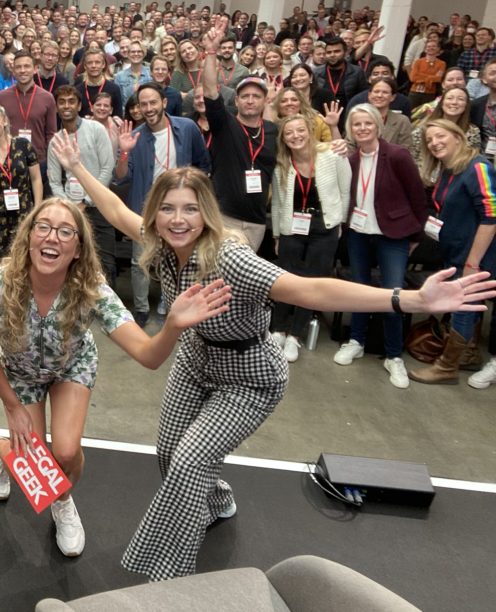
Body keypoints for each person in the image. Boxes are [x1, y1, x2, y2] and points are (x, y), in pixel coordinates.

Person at [47, 131, 496, 582]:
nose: (177, 219)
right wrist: (77, 168)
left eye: (189, 208)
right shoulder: (160, 241)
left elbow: (309, 289)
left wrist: (410, 300)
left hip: (249, 376)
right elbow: (115, 210)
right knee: (169, 453)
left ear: (206, 211)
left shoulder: (231, 258)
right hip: (196, 359)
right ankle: (217, 499)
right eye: (167, 208)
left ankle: (165, 576)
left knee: (188, 462)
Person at [0, 197, 231, 557]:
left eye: (66, 231)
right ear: (28, 236)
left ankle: (62, 501)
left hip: (70, 366)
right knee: (31, 463)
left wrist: (171, 325)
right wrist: (12, 406)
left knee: (63, 452)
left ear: (77, 248)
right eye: (43, 227)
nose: (53, 237)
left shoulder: (91, 288)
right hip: (20, 373)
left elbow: (148, 355)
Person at [333, 104, 428, 389]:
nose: (362, 129)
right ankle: (356, 341)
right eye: (357, 125)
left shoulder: (397, 156)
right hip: (359, 234)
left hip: (393, 235)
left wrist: (414, 239)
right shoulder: (351, 160)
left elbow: (418, 200)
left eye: (367, 124)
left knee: (392, 295)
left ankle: (393, 355)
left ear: (378, 126)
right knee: (360, 289)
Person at [115, 82, 210, 326]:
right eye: (143, 104)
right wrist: (124, 152)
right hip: (146, 208)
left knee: (179, 258)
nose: (148, 108)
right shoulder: (135, 137)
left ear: (164, 102)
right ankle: (141, 307)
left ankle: (171, 303)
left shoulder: (187, 128)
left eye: (153, 102)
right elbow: (121, 176)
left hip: (180, 209)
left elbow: (203, 165)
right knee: (140, 261)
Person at [410, 119, 496, 385]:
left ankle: (447, 367)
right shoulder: (448, 170)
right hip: (456, 254)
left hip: (476, 258)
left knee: (463, 307)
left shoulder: (478, 167)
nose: (434, 143)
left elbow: (491, 215)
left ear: (458, 137)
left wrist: (473, 262)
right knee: (466, 306)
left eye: (440, 136)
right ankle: (465, 356)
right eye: (430, 140)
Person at [270, 114, 350, 361]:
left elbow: (345, 189)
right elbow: (277, 203)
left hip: (324, 227)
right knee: (286, 279)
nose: (296, 136)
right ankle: (278, 329)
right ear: (284, 139)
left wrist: (340, 222)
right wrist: (276, 233)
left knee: (312, 282)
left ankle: (295, 335)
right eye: (289, 133)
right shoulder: (281, 163)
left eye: (300, 130)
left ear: (310, 131)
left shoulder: (332, 155)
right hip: (292, 226)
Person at [201, 16, 278, 250]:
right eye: (245, 96)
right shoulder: (225, 123)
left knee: (242, 284)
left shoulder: (273, 130)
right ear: (237, 100)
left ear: (265, 100)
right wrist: (211, 53)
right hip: (224, 216)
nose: (250, 101)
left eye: (256, 96)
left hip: (256, 220)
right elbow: (210, 91)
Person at [47, 86, 116, 283]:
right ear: (57, 107)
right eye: (62, 102)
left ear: (79, 105)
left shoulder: (96, 129)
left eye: (71, 101)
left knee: (105, 264)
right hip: (70, 209)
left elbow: (107, 168)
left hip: (100, 206)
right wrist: (68, 205)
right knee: (72, 263)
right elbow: (54, 180)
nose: (66, 106)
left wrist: (87, 201)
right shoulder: (56, 141)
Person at [0, 104, 42, 264]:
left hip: (24, 213)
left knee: (25, 261)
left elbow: (36, 179)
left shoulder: (23, 145)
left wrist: (38, 210)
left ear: (5, 121)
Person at [0, 51, 58, 186]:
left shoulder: (47, 98)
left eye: (27, 66)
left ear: (35, 69)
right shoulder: (2, 97)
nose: (22, 70)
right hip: (9, 160)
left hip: (39, 161)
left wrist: (50, 163)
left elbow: (51, 134)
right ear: (13, 70)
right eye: (18, 67)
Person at [411, 87, 479, 176]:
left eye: (460, 99)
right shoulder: (424, 128)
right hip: (425, 180)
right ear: (442, 103)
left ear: (466, 105)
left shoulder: (472, 131)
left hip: (458, 177)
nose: (454, 102)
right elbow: (414, 158)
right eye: (450, 98)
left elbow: (472, 159)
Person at [77, 48, 123, 118]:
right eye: (90, 63)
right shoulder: (78, 90)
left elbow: (118, 116)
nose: (93, 66)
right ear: (85, 66)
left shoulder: (114, 89)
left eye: (97, 62)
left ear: (103, 64)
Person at [409, 40, 447, 110]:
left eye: (433, 46)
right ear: (425, 49)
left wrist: (421, 76)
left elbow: (439, 78)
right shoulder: (418, 62)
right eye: (428, 46)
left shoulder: (442, 64)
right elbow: (413, 78)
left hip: (430, 94)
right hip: (415, 92)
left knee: (426, 115)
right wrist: (431, 78)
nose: (430, 48)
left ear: (438, 49)